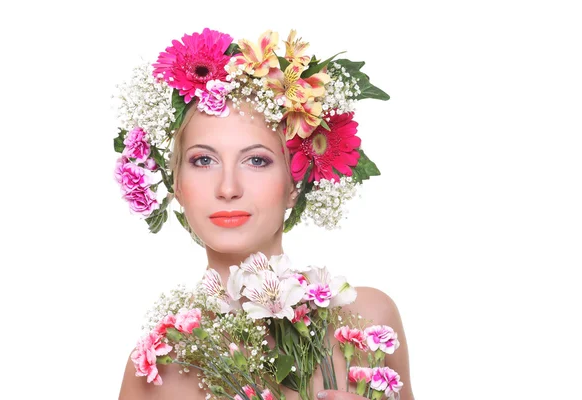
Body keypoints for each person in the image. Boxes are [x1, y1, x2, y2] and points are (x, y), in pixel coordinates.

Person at [115, 28, 414, 400]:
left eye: (256, 160)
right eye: (203, 160)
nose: (227, 188)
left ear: (294, 184)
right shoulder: (157, 369)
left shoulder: (370, 318)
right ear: (176, 184)